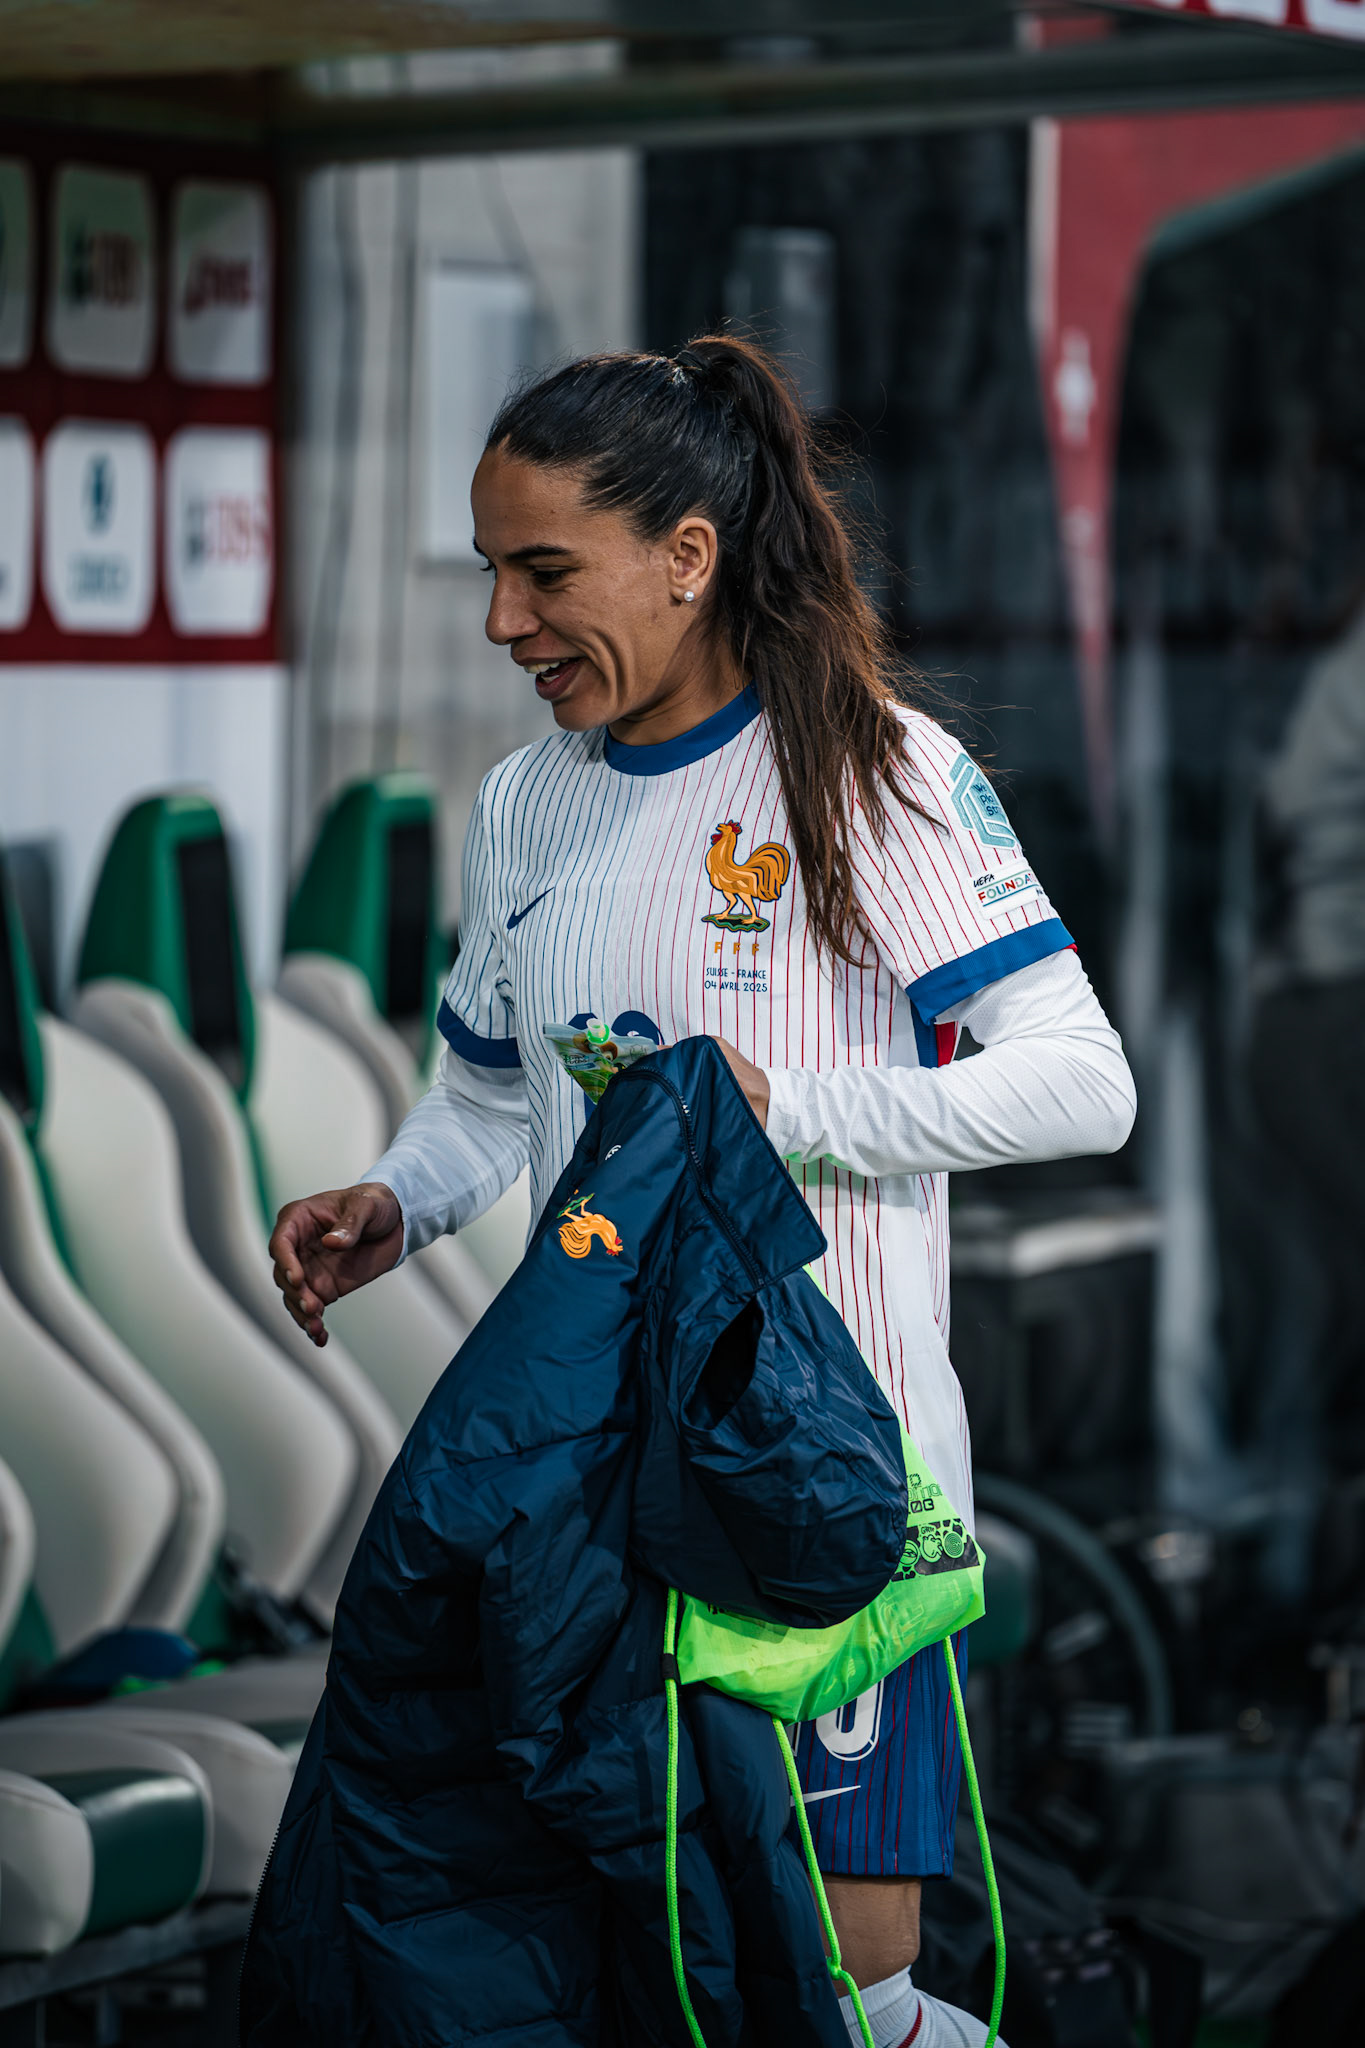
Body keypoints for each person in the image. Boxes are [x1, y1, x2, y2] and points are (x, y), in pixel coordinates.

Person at [271, 335, 1136, 2048]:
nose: (507, 624)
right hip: (597, 1516)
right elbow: (485, 1096)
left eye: (543, 573)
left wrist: (785, 1110)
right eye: (491, 577)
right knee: (653, 1989)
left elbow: (1082, 1082)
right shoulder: (524, 804)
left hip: (824, 1502)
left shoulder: (870, 774)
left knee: (845, 2000)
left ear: (687, 556)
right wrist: (396, 1199)